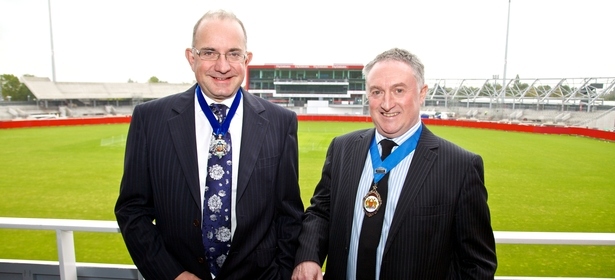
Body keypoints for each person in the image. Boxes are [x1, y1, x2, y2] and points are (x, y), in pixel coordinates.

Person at [115, 10, 304, 280]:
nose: (223, 65)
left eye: (234, 53)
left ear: (246, 59)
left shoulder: (280, 122)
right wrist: (173, 275)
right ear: (191, 58)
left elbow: (289, 214)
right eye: (209, 52)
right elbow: (132, 211)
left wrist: (283, 273)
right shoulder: (150, 119)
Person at [292, 48, 497, 280]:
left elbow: (477, 265)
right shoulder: (342, 148)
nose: (387, 103)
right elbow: (321, 212)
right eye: (377, 91)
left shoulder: (460, 167)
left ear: (422, 94)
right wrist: (308, 255)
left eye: (398, 90)